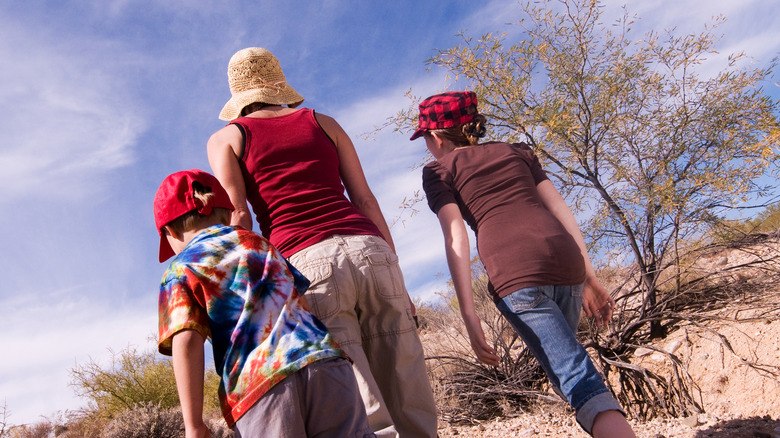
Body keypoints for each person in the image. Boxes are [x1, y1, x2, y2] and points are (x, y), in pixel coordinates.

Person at [207, 47, 437, 438]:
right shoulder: (324, 122)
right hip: (369, 248)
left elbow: (240, 217)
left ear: (237, 92)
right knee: (408, 380)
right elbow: (364, 199)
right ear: (278, 81)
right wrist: (394, 269)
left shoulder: (228, 138)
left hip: (306, 262)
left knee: (363, 402)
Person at [412, 91, 636, 438]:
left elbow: (456, 236)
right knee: (567, 370)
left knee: (575, 375)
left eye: (425, 137)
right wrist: (588, 275)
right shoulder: (517, 152)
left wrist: (470, 316)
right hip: (566, 262)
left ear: (436, 136)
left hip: (515, 274)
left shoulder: (438, 171)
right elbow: (560, 210)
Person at [153, 169, 374, 438]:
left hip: (260, 385)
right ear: (225, 213)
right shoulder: (258, 243)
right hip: (324, 362)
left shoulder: (181, 268)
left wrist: (194, 424)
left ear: (169, 231)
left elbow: (186, 340)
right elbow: (301, 301)